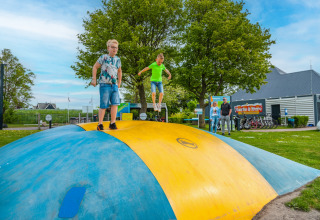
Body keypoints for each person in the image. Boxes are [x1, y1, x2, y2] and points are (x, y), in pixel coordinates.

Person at [91, 39, 122, 130]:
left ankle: (112, 123)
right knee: (104, 104)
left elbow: (119, 71)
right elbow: (95, 67)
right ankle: (100, 124)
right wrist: (94, 79)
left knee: (115, 104)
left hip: (114, 85)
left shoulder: (118, 59)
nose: (114, 49)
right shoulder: (103, 57)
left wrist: (119, 82)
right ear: (108, 48)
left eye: (116, 48)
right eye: (112, 47)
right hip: (104, 84)